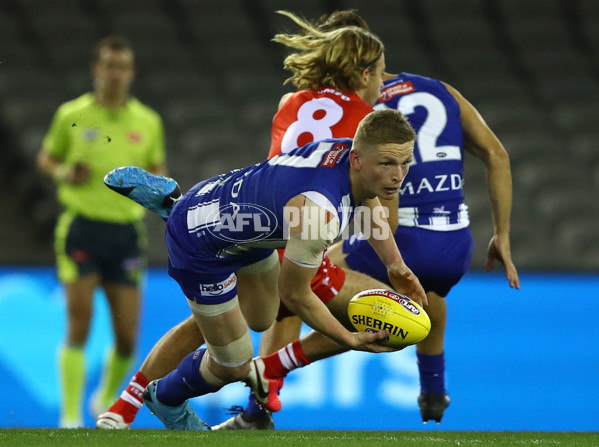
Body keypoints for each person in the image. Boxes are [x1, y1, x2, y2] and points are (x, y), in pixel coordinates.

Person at [95, 11, 417, 430]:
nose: (384, 79)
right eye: (380, 71)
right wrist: (350, 339)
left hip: (253, 223)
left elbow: (283, 168)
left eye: (404, 164)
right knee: (241, 351)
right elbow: (308, 280)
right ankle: (241, 403)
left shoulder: (303, 109)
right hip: (261, 237)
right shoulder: (360, 129)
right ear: (363, 73)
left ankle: (136, 402)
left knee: (256, 319)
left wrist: (395, 263)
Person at [222, 9, 521, 426]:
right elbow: (498, 153)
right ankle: (433, 387)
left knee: (301, 291)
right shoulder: (439, 89)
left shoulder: (366, 107)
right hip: (455, 243)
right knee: (426, 296)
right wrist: (502, 232)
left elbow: (381, 209)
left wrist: (343, 243)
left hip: (402, 230)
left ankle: (261, 399)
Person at [37, 35, 168, 428]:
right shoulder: (71, 114)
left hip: (125, 233)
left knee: (128, 336)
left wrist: (151, 183)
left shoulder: (147, 121)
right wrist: (64, 173)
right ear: (97, 69)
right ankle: (70, 416)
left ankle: (105, 399)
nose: (115, 74)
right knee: (80, 322)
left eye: (122, 67)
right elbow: (48, 157)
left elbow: (158, 169)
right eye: (109, 66)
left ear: (131, 73)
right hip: (82, 227)